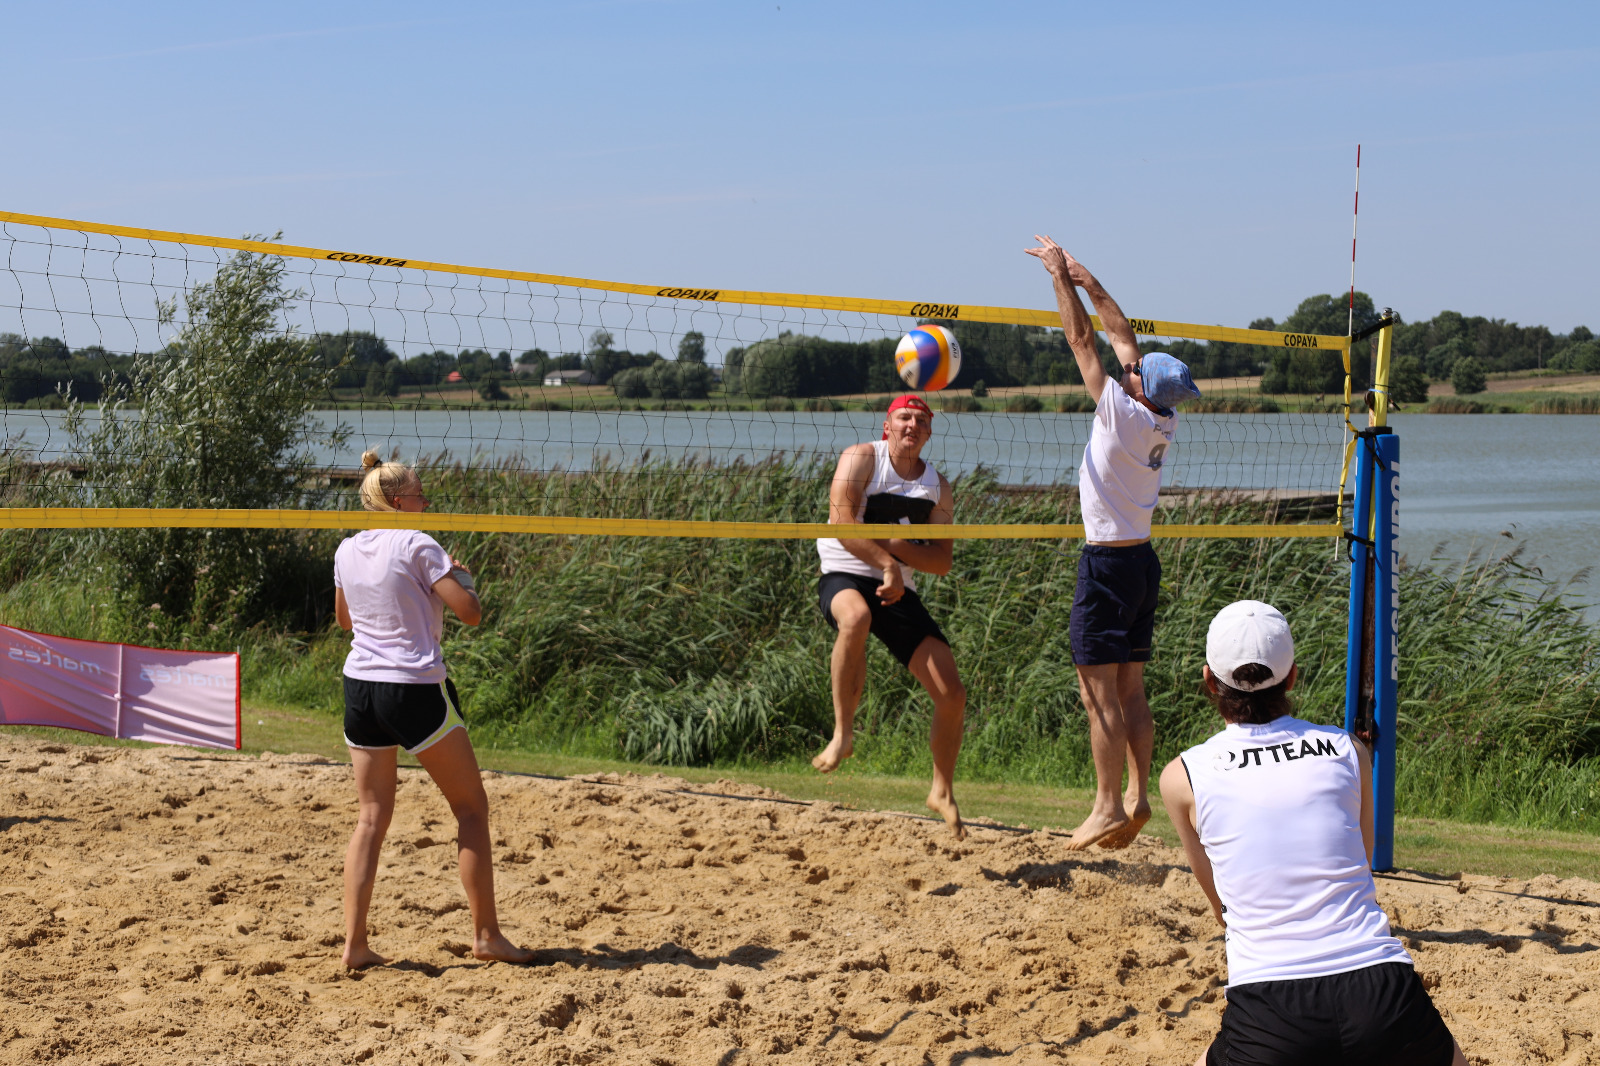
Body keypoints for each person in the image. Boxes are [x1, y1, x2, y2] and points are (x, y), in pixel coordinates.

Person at [1160, 601, 1467, 1066]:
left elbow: (1224, 910)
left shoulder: (1183, 776)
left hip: (1272, 1010)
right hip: (1381, 992)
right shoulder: (1349, 750)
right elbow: (1362, 866)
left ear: (1209, 681)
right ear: (1292, 678)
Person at [1026, 235, 1202, 850]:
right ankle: (1137, 794)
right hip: (1141, 562)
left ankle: (1105, 807)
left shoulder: (1119, 412)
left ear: (1136, 385)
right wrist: (1088, 279)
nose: (1128, 363)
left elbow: (1083, 340)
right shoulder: (1161, 415)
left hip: (1105, 565)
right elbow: (1121, 334)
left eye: (1132, 369)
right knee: (1131, 689)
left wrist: (1058, 278)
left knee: (1097, 693)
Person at [333, 451, 532, 969]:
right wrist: (463, 580)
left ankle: (354, 945)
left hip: (360, 688)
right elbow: (472, 614)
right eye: (420, 494)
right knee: (471, 808)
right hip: (412, 687)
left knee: (370, 817)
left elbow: (344, 620)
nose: (426, 502)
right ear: (398, 501)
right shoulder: (419, 545)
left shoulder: (347, 548)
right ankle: (487, 936)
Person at [813, 394, 968, 839]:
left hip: (898, 586)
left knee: (952, 694)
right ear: (887, 425)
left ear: (929, 432)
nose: (911, 425)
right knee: (855, 618)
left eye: (920, 420)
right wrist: (886, 563)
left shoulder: (937, 486)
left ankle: (941, 790)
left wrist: (896, 551)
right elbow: (842, 523)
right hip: (845, 571)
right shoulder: (862, 458)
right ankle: (843, 734)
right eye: (903, 417)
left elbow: (942, 561)